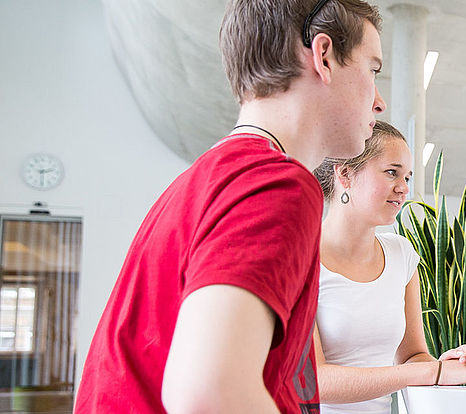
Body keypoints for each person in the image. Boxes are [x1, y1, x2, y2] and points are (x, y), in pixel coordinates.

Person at [75, 0, 386, 412]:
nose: (379, 102)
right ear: (323, 56)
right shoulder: (274, 184)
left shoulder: (209, 176)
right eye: (372, 69)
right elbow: (209, 391)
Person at [312, 122, 466, 413]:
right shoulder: (302, 258)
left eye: (407, 177)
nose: (404, 188)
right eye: (391, 172)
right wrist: (432, 373)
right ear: (345, 174)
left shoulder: (402, 254)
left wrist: (446, 365)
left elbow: (412, 355)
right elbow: (315, 381)